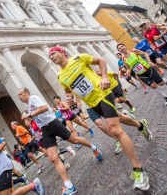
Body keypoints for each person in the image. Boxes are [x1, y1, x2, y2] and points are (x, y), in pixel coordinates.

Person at [49, 46, 150, 191]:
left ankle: (139, 171)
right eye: (50, 56)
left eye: (53, 53)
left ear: (62, 52)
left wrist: (103, 77)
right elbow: (68, 91)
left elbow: (101, 60)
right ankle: (140, 125)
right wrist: (70, 99)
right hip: (90, 104)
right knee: (120, 117)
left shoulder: (79, 58)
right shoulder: (60, 76)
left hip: (103, 93)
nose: (51, 57)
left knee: (114, 129)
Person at [17, 87, 103, 195]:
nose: (19, 97)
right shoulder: (29, 107)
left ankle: (93, 147)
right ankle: (69, 186)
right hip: (45, 130)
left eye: (21, 94)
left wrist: (31, 115)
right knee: (53, 158)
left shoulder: (33, 98)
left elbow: (44, 108)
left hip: (53, 124)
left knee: (75, 140)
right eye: (18, 95)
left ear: (27, 93)